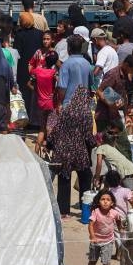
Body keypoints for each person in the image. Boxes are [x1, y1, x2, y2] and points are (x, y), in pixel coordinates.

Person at [49, 87, 95, 216]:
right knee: (85, 177)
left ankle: (63, 211)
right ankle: (84, 205)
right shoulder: (86, 113)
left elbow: (57, 128)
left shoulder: (66, 110)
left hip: (63, 150)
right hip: (79, 151)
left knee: (64, 178)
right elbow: (87, 135)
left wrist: (49, 143)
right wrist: (95, 143)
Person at [85, 189, 125, 265]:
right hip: (95, 242)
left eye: (108, 200)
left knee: (106, 262)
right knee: (92, 261)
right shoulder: (95, 212)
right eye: (103, 199)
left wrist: (121, 229)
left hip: (108, 241)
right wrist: (92, 236)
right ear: (99, 201)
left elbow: (118, 220)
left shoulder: (114, 213)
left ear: (112, 203)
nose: (105, 201)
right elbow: (90, 225)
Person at [30, 50, 59, 149]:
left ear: (45, 60)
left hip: (40, 104)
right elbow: (60, 85)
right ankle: (52, 154)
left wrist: (38, 92)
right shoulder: (54, 73)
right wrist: (54, 93)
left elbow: (29, 83)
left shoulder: (37, 71)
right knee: (51, 128)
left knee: (42, 129)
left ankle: (36, 153)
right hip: (51, 104)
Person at [55, 35, 91, 107]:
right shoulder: (87, 64)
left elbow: (62, 88)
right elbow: (90, 84)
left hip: (69, 106)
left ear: (69, 48)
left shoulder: (65, 65)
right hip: (83, 106)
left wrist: (59, 103)